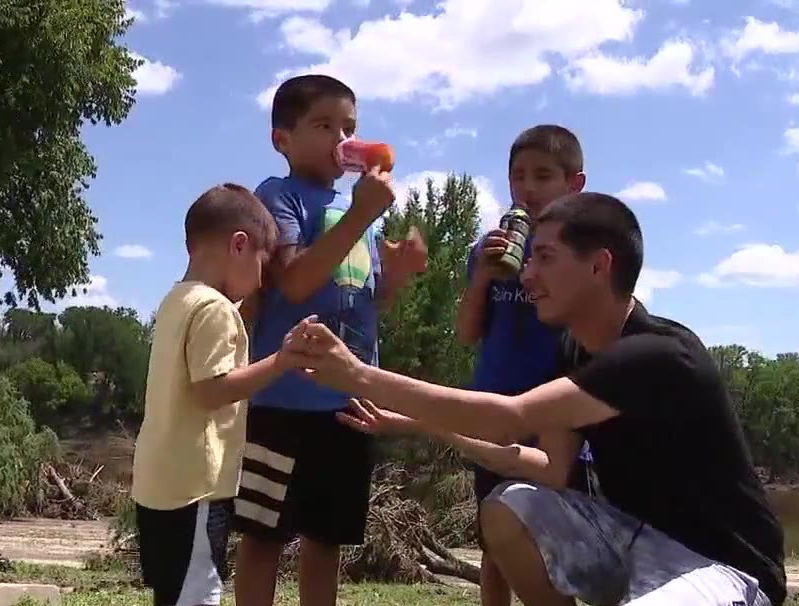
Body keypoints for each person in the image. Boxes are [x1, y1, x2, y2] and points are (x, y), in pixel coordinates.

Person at [292, 192, 788, 606]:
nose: (526, 276)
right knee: (509, 507)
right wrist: (418, 424)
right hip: (628, 542)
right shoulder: (574, 351)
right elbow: (549, 468)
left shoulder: (660, 355)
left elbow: (510, 418)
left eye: (545, 258)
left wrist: (358, 374)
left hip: (724, 568)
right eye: (529, 260)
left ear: (600, 265)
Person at [233, 74, 426, 606]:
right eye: (323, 126)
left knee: (327, 538)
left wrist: (398, 276)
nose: (342, 140)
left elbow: (365, 301)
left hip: (347, 404)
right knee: (263, 535)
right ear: (282, 140)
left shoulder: (353, 210)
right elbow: (293, 283)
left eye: (350, 128)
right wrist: (363, 212)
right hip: (282, 402)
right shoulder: (279, 196)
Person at [130, 183, 311, 606]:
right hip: (195, 488)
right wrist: (281, 361)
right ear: (239, 245)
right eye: (262, 263)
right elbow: (212, 390)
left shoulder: (176, 300)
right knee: (198, 594)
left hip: (159, 485)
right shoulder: (214, 308)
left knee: (175, 594)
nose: (262, 279)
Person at [452, 124, 587, 606]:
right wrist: (482, 279)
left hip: (556, 422)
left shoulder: (581, 255)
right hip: (495, 417)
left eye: (543, 176)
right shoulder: (487, 250)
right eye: (518, 177)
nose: (527, 189)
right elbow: (467, 333)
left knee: (554, 547)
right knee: (495, 545)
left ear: (575, 185)